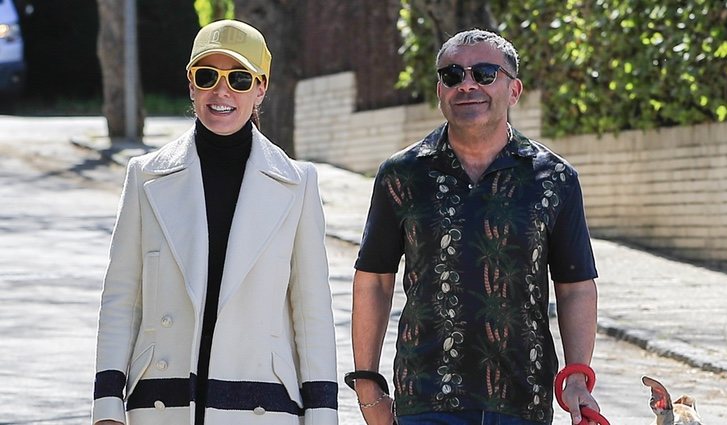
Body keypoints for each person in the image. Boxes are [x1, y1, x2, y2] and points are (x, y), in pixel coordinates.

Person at [91, 19, 338, 425]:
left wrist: (322, 413)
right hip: (159, 404)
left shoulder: (298, 183)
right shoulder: (145, 175)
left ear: (261, 88)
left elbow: (311, 312)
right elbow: (121, 297)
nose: (221, 91)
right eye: (207, 76)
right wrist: (106, 404)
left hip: (262, 406)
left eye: (239, 79)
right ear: (191, 84)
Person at [349, 29, 600, 425]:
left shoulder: (554, 179)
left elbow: (575, 287)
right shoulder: (402, 176)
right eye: (452, 75)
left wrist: (577, 376)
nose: (467, 85)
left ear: (514, 90)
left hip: (523, 401)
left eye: (484, 73)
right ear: (440, 90)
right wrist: (367, 385)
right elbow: (373, 280)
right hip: (425, 400)